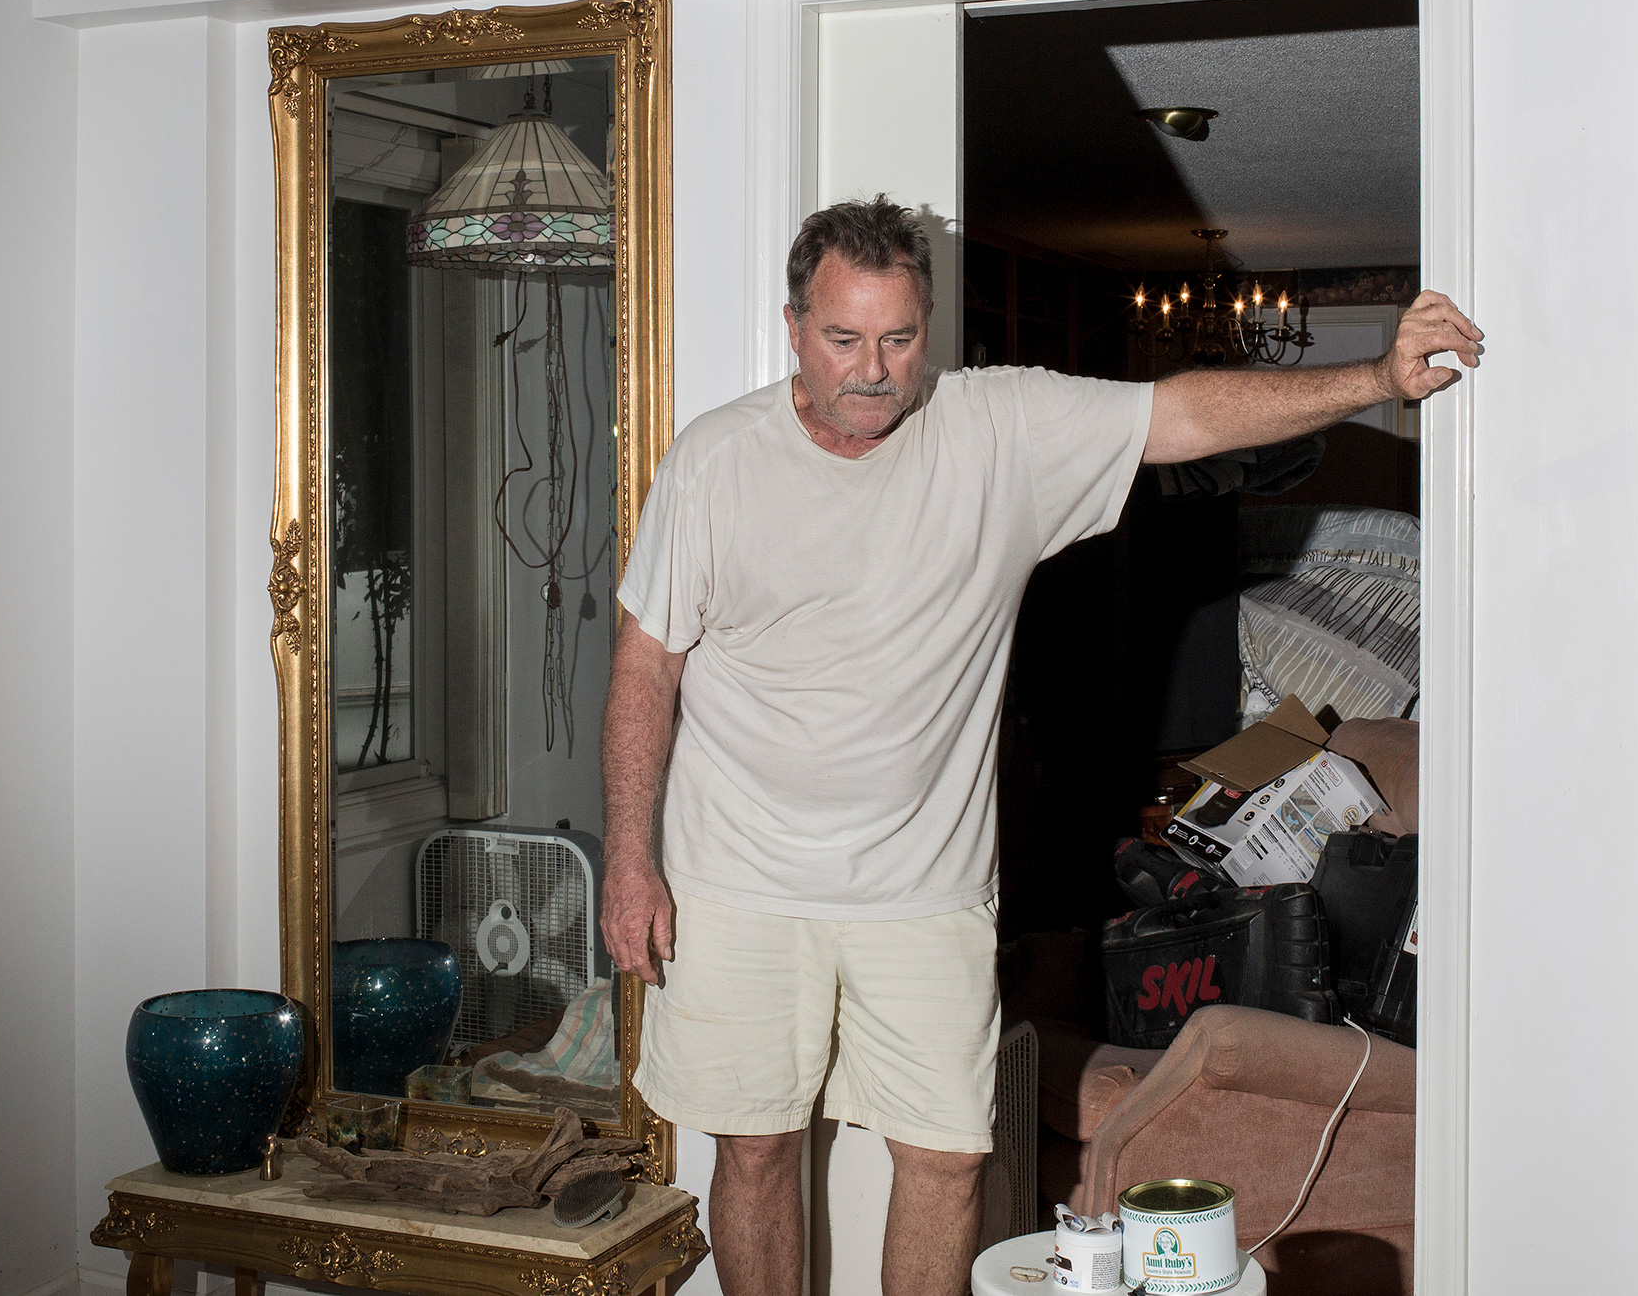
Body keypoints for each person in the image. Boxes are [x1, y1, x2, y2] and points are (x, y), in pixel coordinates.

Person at [601, 196, 1483, 1296]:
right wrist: (629, 855)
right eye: (842, 338)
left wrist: (1373, 380)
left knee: (947, 1152)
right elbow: (646, 663)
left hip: (922, 886)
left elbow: (1184, 414)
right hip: (737, 873)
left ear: (930, 326)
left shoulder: (995, 428)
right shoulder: (715, 461)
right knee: (755, 1142)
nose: (873, 370)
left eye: (899, 337)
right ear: (792, 328)